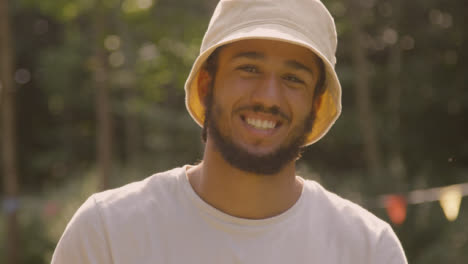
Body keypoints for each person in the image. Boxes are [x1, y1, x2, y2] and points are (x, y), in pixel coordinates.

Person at [51, 0, 408, 263]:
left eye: (292, 78)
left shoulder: (368, 249)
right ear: (206, 85)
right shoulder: (107, 232)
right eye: (249, 68)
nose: (268, 97)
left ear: (316, 106)